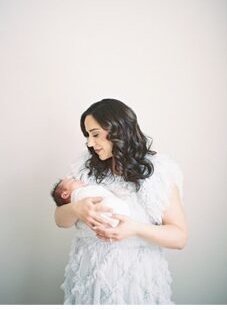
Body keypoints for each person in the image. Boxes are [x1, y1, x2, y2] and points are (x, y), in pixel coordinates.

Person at [53, 99, 187, 304]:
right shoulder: (82, 169)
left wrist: (135, 228)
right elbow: (60, 219)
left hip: (137, 281)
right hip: (88, 278)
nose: (90, 143)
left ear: (118, 130)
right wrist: (77, 209)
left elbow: (179, 237)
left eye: (95, 134)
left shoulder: (158, 171)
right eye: (88, 136)